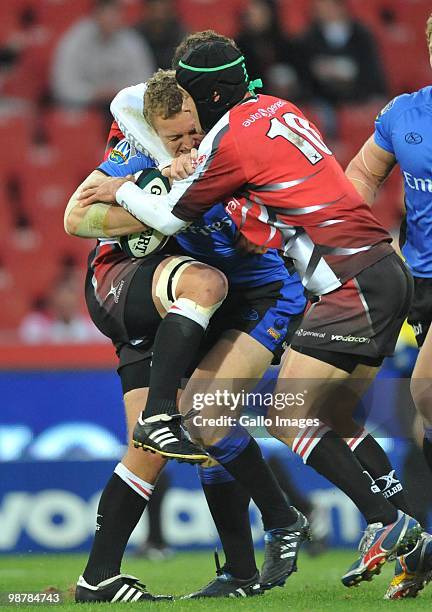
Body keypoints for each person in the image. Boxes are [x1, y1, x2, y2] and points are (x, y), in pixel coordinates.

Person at [77, 33, 423, 593]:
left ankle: (380, 523)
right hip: (379, 267)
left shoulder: (226, 146)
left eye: (194, 114)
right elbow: (121, 118)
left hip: (328, 283)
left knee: (285, 416)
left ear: (207, 98)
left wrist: (126, 188)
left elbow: (169, 217)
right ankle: (413, 536)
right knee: (332, 416)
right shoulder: (277, 110)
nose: (190, 135)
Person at [65, 67, 309, 601]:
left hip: (221, 300)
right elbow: (74, 218)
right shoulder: (141, 149)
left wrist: (160, 199)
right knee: (194, 416)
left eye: (193, 131)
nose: (187, 143)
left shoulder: (235, 149)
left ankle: (98, 579)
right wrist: (145, 197)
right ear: (155, 129)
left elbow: (264, 224)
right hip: (147, 290)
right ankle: (272, 523)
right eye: (174, 136)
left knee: (183, 434)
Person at [344, 12, 432, 599]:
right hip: (421, 283)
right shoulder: (403, 115)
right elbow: (361, 176)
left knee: (425, 391)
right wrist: (352, 240)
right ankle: (424, 549)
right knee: (424, 425)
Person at [51, 0, 155, 111]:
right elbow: (64, 85)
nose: (110, 19)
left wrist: (118, 92)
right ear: (94, 15)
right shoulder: (74, 41)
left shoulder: (132, 42)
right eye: (105, 13)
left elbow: (145, 82)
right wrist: (93, 94)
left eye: (114, 13)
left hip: (124, 106)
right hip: (84, 106)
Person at [135, 0, 187, 70]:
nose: (158, 16)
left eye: (163, 11)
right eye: (154, 9)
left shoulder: (182, 36)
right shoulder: (135, 37)